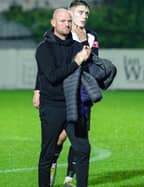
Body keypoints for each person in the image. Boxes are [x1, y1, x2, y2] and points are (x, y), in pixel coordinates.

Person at [33, 1, 99, 186]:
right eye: (62, 21)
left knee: (83, 149)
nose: (67, 24)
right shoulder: (43, 49)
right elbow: (53, 77)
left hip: (74, 106)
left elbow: (90, 72)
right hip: (52, 106)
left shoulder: (77, 47)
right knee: (47, 153)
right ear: (53, 22)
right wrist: (76, 62)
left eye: (69, 21)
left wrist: (105, 70)